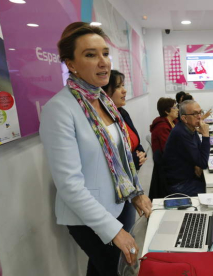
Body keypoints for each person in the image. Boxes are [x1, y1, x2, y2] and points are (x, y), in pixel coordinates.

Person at [39, 22, 152, 275]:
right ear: (71, 64)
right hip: (89, 217)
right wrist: (112, 230)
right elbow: (68, 184)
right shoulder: (59, 109)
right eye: (90, 55)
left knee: (104, 269)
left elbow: (121, 157)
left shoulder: (104, 101)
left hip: (121, 203)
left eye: (104, 53)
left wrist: (136, 193)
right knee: (118, 270)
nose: (103, 62)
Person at [163, 100, 210, 196]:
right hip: (180, 185)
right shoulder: (181, 133)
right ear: (184, 118)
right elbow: (203, 162)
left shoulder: (190, 128)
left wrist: (197, 164)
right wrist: (205, 135)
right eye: (195, 114)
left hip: (188, 177)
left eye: (200, 112)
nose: (200, 117)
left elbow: (199, 153)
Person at [102, 70, 147, 170]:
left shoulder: (122, 113)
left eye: (123, 85)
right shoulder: (103, 120)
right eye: (118, 86)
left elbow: (135, 143)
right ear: (104, 92)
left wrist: (141, 152)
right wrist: (134, 160)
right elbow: (111, 159)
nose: (124, 90)